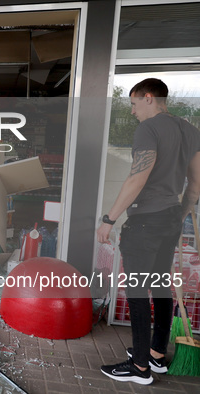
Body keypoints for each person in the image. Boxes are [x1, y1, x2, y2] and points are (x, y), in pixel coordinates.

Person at [97, 78, 200, 385]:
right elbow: (195, 184)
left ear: (149, 97)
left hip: (145, 221)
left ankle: (139, 367)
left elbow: (137, 179)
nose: (132, 112)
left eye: (133, 104)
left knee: (139, 290)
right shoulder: (190, 130)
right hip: (169, 218)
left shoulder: (150, 129)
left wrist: (109, 219)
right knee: (160, 286)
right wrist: (177, 215)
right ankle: (155, 354)